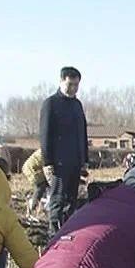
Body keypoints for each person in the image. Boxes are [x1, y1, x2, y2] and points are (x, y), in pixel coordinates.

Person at [40, 66, 89, 235]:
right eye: (70, 85)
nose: (73, 89)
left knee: (71, 201)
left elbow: (82, 132)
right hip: (58, 164)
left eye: (76, 85)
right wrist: (47, 162)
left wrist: (84, 160)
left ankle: (68, 231)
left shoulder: (77, 105)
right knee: (57, 199)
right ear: (61, 81)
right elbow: (45, 134)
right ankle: (54, 234)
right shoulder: (51, 104)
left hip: (75, 162)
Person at [21, 149, 50, 219]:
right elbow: (48, 170)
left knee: (47, 186)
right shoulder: (48, 153)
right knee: (40, 187)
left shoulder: (50, 149)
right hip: (31, 168)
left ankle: (46, 206)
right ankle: (32, 207)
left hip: (37, 168)